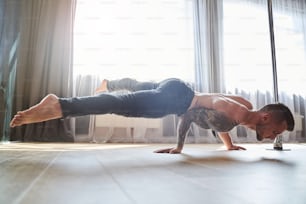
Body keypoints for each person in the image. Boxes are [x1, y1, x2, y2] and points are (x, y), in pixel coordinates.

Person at [10, 78, 295, 153]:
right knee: (120, 104)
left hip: (178, 86)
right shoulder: (233, 117)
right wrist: (179, 147)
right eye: (277, 133)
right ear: (267, 118)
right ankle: (59, 104)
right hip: (177, 100)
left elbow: (216, 109)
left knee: (133, 88)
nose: (273, 138)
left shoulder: (242, 105)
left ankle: (109, 82)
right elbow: (190, 115)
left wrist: (229, 144)